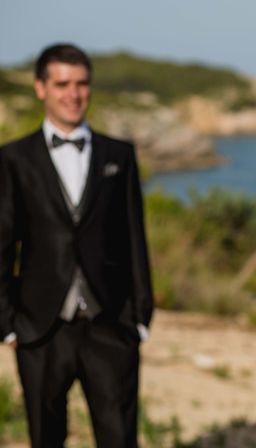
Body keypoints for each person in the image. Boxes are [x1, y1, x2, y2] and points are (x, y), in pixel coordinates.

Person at [0, 43, 154, 447]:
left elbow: (134, 236)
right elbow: (2, 243)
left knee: (120, 438)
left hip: (111, 325)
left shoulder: (119, 155)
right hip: (40, 328)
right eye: (62, 84)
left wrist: (139, 316)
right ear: (40, 88)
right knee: (45, 438)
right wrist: (6, 322)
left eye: (82, 83)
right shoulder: (13, 158)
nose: (73, 93)